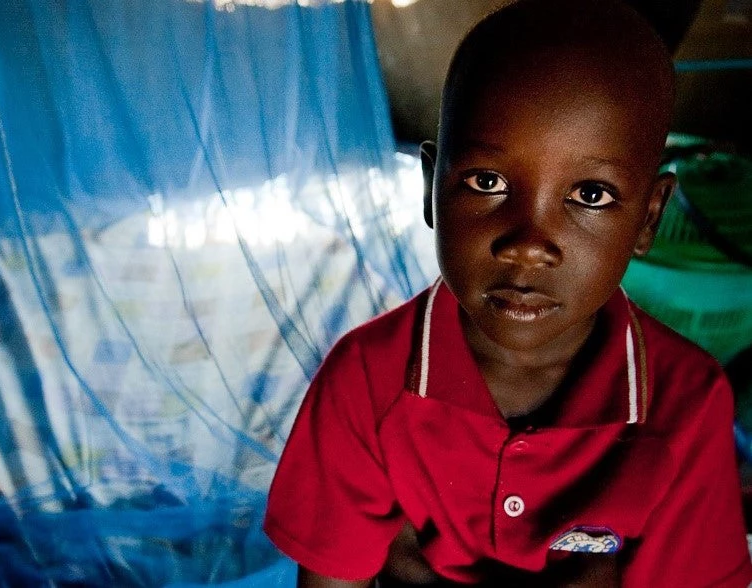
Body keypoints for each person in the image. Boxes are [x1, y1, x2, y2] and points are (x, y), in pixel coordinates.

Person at [262, 0, 752, 586]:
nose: (527, 245)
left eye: (590, 195)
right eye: (487, 182)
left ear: (649, 218)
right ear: (430, 190)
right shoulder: (364, 382)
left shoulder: (684, 405)